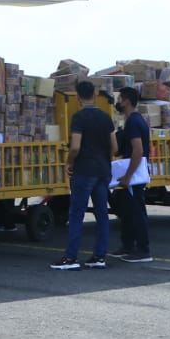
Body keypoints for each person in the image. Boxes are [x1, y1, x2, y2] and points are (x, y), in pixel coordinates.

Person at [52, 79, 115, 270]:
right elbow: (115, 147)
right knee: (102, 213)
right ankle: (99, 256)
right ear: (94, 95)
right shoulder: (106, 118)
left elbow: (76, 146)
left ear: (78, 97)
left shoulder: (79, 118)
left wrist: (69, 162)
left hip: (85, 170)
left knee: (77, 214)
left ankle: (71, 258)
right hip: (103, 170)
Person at [111, 86, 153, 262]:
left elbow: (138, 151)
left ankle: (142, 250)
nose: (118, 102)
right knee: (125, 210)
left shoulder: (134, 122)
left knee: (136, 212)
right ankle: (127, 245)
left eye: (120, 99)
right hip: (132, 173)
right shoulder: (133, 120)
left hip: (133, 176)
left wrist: (128, 176)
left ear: (127, 101)